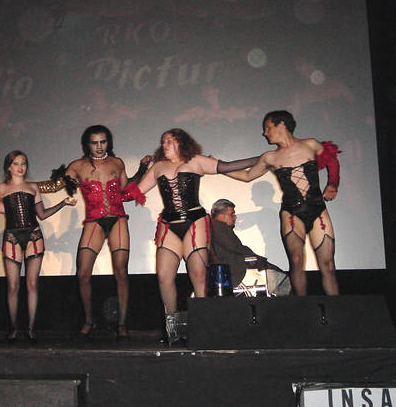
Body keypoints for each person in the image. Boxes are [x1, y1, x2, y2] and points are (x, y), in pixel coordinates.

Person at [130, 129, 258, 336]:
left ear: (181, 142)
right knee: (163, 277)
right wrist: (140, 170)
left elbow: (228, 166)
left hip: (194, 221)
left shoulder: (196, 161)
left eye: (169, 140)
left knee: (198, 275)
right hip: (169, 224)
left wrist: (263, 159)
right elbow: (133, 193)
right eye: (163, 141)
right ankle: (172, 327)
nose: (164, 144)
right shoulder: (158, 167)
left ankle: (204, 325)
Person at [37, 125, 150, 340]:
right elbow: (54, 186)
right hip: (94, 220)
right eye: (94, 143)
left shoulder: (117, 163)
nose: (99, 147)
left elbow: (125, 190)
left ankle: (122, 324)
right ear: (87, 144)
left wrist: (142, 170)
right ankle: (89, 321)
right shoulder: (77, 166)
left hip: (117, 218)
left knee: (121, 272)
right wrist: (26, 185)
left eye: (103, 142)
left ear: (108, 143)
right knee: (83, 273)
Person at [224, 110, 340, 295]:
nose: (265, 133)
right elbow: (247, 176)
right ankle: (302, 306)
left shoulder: (310, 144)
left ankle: (335, 307)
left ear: (282, 125)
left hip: (318, 209)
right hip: (291, 212)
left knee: (328, 265)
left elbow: (332, 159)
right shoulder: (269, 157)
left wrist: (333, 183)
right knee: (296, 261)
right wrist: (219, 168)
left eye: (268, 127)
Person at [0, 150, 76, 343]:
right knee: (13, 286)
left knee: (32, 284)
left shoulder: (33, 187)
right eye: (16, 163)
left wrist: (63, 203)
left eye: (23, 163)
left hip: (34, 235)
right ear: (8, 167)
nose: (20, 167)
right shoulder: (2, 188)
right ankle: (14, 328)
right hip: (12, 236)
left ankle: (31, 329)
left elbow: (42, 214)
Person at [210, 198, 287, 291]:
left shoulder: (217, 228)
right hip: (234, 271)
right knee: (280, 279)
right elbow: (237, 249)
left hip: (232, 269)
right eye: (232, 214)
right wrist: (257, 258)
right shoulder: (219, 230)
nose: (235, 217)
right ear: (221, 215)